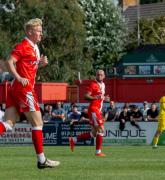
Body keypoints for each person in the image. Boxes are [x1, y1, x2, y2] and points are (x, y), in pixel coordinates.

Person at [0, 18, 59, 169]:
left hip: (16, 89)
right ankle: (42, 160)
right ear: (30, 32)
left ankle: (42, 160)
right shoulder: (24, 45)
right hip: (24, 89)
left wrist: (41, 64)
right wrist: (19, 77)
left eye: (41, 30)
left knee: (8, 123)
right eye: (38, 31)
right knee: (38, 123)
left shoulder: (34, 47)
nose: (41, 33)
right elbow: (9, 62)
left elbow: (29, 67)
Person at [69, 70, 110, 156]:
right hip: (93, 109)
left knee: (94, 133)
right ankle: (98, 152)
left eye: (101, 74)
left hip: (97, 110)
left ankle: (74, 140)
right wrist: (96, 97)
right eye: (98, 74)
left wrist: (104, 98)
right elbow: (86, 96)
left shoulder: (103, 85)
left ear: (104, 76)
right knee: (101, 129)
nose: (99, 76)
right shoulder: (93, 84)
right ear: (96, 76)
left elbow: (100, 97)